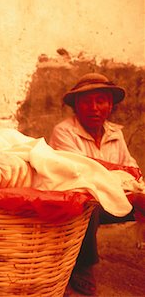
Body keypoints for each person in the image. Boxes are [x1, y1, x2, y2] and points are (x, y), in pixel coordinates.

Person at [49, 72, 142, 296]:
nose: (94, 107)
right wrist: (121, 175)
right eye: (86, 102)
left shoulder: (115, 133)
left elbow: (131, 169)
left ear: (110, 105)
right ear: (76, 107)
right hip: (77, 203)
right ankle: (83, 266)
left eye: (100, 100)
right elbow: (80, 171)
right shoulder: (64, 131)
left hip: (112, 197)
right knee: (87, 203)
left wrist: (134, 188)